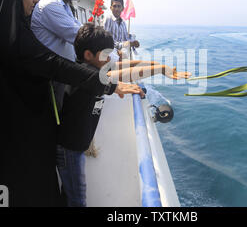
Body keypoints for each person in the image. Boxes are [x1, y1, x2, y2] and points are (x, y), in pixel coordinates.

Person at [0, 0, 142, 207]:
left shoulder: (1, 29)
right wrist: (110, 85)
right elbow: (55, 64)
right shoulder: (14, 37)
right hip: (14, 129)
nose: (35, 0)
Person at [57, 23, 190, 207]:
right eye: (106, 54)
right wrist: (159, 70)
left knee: (70, 193)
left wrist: (160, 66)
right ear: (89, 55)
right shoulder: (90, 76)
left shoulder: (91, 69)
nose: (110, 58)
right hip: (70, 149)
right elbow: (127, 72)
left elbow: (124, 64)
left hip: (74, 145)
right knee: (77, 199)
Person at [31, 0, 85, 110]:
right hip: (51, 79)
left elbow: (80, 29)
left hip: (62, 75)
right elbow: (79, 36)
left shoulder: (64, 5)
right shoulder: (50, 5)